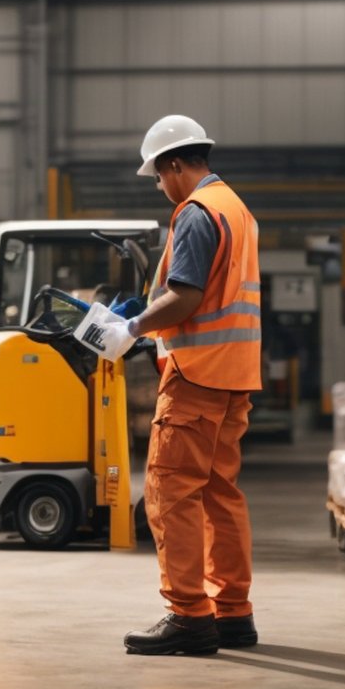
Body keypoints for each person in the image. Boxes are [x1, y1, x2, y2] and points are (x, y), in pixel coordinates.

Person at [118, 114, 262, 657]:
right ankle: (231, 614)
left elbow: (186, 297)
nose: (159, 186)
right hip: (234, 376)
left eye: (158, 175)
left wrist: (130, 328)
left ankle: (187, 616)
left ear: (175, 164)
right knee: (219, 495)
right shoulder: (237, 209)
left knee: (170, 493)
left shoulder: (197, 212)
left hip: (197, 376)